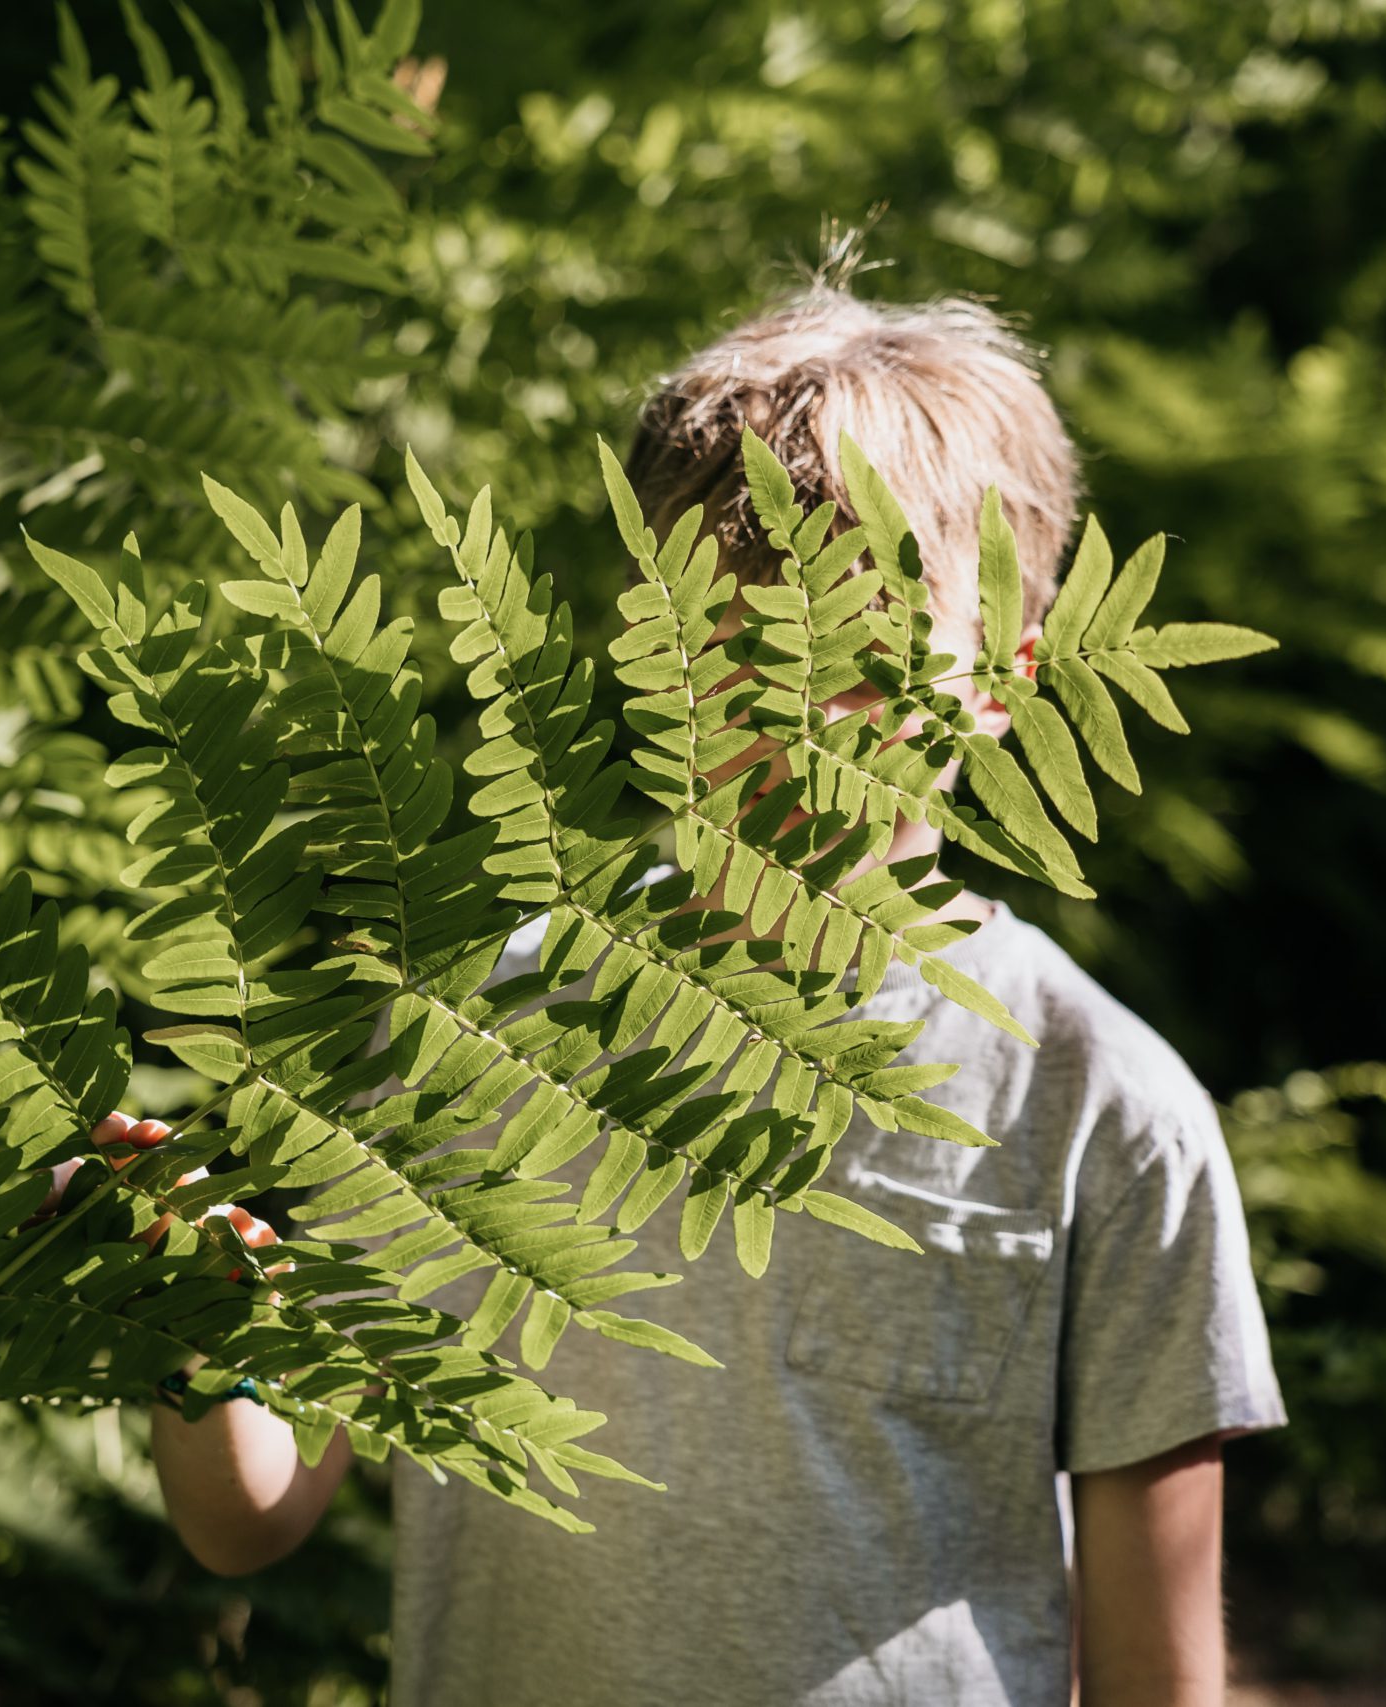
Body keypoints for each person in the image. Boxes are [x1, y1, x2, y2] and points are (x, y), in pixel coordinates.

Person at [92, 283, 1286, 1706]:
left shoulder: (1103, 1103)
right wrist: (198, 1329)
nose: (786, 695)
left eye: (865, 640)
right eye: (733, 625)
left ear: (1004, 674)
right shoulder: (474, 1029)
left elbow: (1162, 1676)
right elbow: (251, 1517)